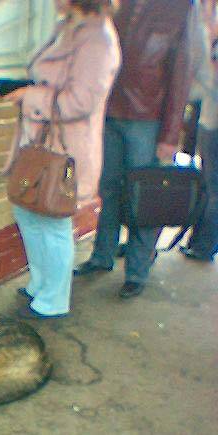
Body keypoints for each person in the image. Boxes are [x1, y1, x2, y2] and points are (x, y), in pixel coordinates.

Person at [2, 0, 121, 318]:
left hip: (65, 147)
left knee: (53, 220)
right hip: (41, 141)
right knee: (28, 212)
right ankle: (40, 284)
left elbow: (81, 101)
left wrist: (31, 97)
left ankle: (54, 299)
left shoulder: (97, 40)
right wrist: (29, 92)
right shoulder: (68, 27)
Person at [74, 0, 194, 299]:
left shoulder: (179, 8)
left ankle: (137, 271)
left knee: (145, 197)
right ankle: (102, 256)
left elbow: (181, 76)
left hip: (148, 120)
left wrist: (170, 135)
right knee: (109, 189)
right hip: (109, 113)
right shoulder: (119, 6)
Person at [180, 0, 218, 262]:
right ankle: (200, 241)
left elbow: (208, 82)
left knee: (213, 186)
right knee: (209, 184)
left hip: (213, 122)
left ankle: (205, 245)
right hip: (209, 119)